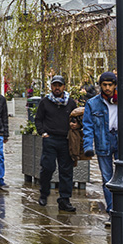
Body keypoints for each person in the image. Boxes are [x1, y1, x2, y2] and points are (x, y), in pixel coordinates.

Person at [34, 75, 77, 212]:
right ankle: (44, 193)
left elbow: (77, 119)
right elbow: (38, 119)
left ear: (64, 87)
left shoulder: (70, 103)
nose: (57, 88)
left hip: (65, 140)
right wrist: (43, 132)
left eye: (59, 85)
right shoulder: (45, 102)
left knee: (66, 170)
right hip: (50, 139)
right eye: (54, 85)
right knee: (47, 167)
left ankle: (64, 199)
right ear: (51, 86)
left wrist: (75, 125)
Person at [82, 71, 119, 226]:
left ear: (115, 85)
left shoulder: (121, 100)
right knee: (107, 179)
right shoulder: (93, 103)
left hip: (119, 140)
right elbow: (88, 126)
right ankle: (111, 211)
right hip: (103, 141)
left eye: (110, 85)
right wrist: (88, 146)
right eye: (104, 85)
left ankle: (121, 210)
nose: (107, 88)